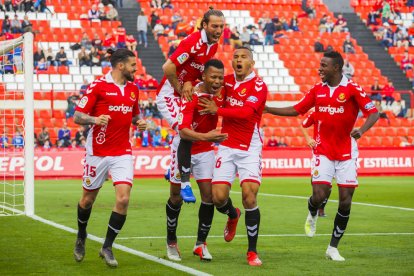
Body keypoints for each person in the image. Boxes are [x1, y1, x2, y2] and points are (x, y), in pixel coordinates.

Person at [264, 51, 379, 261]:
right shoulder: (317, 90)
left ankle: (332, 248)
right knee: (319, 196)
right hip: (323, 150)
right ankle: (312, 212)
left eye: (324, 65)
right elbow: (296, 109)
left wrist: (361, 131)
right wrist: (268, 108)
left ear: (336, 68)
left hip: (346, 151)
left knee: (345, 202)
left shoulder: (352, 88)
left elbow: (374, 112)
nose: (320, 69)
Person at [72, 48, 147, 268]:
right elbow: (77, 116)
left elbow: (135, 116)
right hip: (97, 152)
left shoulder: (133, 89)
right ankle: (81, 234)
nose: (136, 69)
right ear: (121, 66)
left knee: (123, 199)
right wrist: (95, 120)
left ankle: (107, 246)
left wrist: (139, 122)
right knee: (87, 200)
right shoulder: (98, 86)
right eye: (133, 65)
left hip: (122, 151)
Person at [198, 47, 268, 266]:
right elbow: (210, 90)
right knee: (217, 197)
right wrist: (193, 86)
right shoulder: (226, 81)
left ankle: (252, 252)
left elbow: (246, 112)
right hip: (227, 146)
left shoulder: (258, 85)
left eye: (243, 57)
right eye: (236, 57)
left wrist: (217, 110)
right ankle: (233, 214)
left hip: (249, 148)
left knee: (249, 196)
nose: (238, 60)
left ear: (251, 63)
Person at [156, 8, 224, 205]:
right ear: (204, 25)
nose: (218, 30)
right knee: (184, 130)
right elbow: (168, 67)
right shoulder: (193, 42)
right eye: (214, 26)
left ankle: (173, 168)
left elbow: (197, 71)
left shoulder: (213, 46)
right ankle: (185, 182)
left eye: (221, 26)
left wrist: (190, 84)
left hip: (186, 91)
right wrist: (180, 86)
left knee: (188, 129)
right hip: (169, 94)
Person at [167, 59, 228, 261]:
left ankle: (201, 244)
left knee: (208, 197)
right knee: (176, 198)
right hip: (184, 147)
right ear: (204, 76)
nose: (218, 81)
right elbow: (184, 132)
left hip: (205, 152)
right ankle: (171, 242)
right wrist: (208, 137)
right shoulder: (191, 95)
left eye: (220, 77)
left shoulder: (223, 92)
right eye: (213, 76)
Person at [299, 111, 330, 217]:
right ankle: (315, 203)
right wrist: (308, 138)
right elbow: (303, 125)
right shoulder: (316, 112)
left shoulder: (340, 110)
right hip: (319, 151)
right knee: (317, 181)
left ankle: (321, 209)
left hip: (336, 151)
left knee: (328, 186)